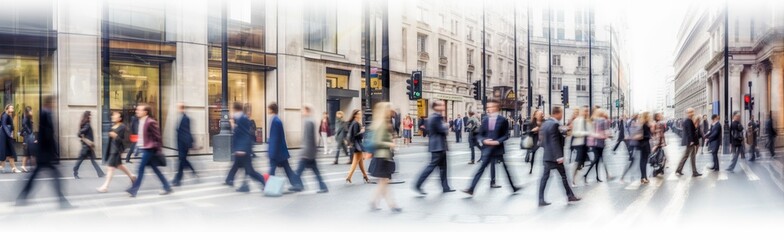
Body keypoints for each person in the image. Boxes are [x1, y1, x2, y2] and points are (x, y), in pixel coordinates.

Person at [16, 96, 74, 209]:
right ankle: (62, 201)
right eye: (53, 102)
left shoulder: (44, 112)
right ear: (50, 103)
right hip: (46, 153)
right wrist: (54, 151)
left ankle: (23, 197)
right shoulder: (46, 113)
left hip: (44, 153)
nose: (55, 105)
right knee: (53, 176)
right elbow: (48, 134)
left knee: (38, 176)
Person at [463, 99, 520, 195]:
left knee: (505, 169)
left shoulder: (502, 120)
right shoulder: (485, 120)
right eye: (488, 107)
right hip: (488, 149)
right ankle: (471, 188)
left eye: (491, 107)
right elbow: (480, 134)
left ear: (497, 108)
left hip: (498, 149)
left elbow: (506, 135)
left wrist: (498, 141)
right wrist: (483, 140)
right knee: (481, 169)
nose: (489, 109)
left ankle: (513, 187)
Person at [126, 104, 173, 197]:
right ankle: (167, 186)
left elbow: (158, 137)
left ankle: (134, 190)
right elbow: (141, 137)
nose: (137, 111)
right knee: (155, 169)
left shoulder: (150, 122)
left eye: (139, 110)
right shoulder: (140, 121)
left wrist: (159, 150)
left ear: (145, 112)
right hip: (144, 148)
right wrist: (138, 147)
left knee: (140, 169)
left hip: (150, 149)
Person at [538, 106, 581, 206]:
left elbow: (541, 141)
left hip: (547, 156)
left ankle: (541, 199)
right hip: (555, 158)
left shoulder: (545, 124)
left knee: (545, 178)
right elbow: (554, 141)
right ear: (557, 113)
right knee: (563, 177)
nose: (561, 115)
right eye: (561, 113)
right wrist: (559, 156)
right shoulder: (554, 124)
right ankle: (570, 196)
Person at [224, 102, 267, 192]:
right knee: (237, 166)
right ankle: (233, 181)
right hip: (241, 149)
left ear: (235, 109)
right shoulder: (239, 118)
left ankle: (263, 182)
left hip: (243, 150)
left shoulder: (242, 119)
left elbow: (244, 135)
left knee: (250, 171)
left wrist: (242, 149)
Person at [414, 100, 454, 195]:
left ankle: (445, 187)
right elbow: (442, 130)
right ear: (436, 107)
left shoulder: (434, 117)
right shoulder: (435, 117)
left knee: (443, 168)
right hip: (438, 146)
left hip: (439, 146)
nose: (443, 106)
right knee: (431, 167)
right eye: (441, 105)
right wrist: (447, 125)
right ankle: (418, 184)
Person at [368, 102, 401, 212]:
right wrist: (389, 144)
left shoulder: (386, 122)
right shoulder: (382, 124)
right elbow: (377, 141)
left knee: (384, 182)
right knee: (384, 182)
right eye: (390, 109)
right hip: (382, 157)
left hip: (384, 157)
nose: (392, 110)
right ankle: (392, 205)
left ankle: (377, 202)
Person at [266, 102, 304, 191]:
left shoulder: (275, 121)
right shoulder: (276, 120)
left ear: (271, 109)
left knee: (273, 170)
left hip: (277, 151)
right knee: (287, 170)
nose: (267, 110)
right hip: (280, 151)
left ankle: (268, 186)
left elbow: (275, 138)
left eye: (268, 108)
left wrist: (271, 152)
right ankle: (297, 184)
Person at [97, 111, 136, 192]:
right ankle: (132, 176)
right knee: (119, 166)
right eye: (113, 115)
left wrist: (116, 136)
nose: (113, 116)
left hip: (116, 150)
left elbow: (125, 140)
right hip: (112, 149)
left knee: (110, 168)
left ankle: (105, 187)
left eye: (115, 115)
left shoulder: (123, 127)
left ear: (120, 118)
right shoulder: (113, 126)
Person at [295, 104, 328, 193]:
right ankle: (323, 187)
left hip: (307, 152)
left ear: (307, 111)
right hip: (310, 152)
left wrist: (306, 152)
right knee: (315, 171)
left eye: (303, 110)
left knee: (299, 171)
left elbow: (309, 138)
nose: (302, 112)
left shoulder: (308, 121)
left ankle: (298, 185)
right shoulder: (310, 120)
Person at [73, 111, 105, 179]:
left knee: (92, 161)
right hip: (86, 147)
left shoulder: (86, 124)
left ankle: (100, 173)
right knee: (81, 160)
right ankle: (75, 170)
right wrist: (84, 139)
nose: (90, 117)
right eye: (89, 115)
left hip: (88, 147)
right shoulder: (87, 125)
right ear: (87, 116)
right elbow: (79, 134)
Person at [172, 103, 197, 186]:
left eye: (179, 107)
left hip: (184, 144)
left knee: (181, 161)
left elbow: (187, 131)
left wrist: (189, 144)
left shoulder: (186, 118)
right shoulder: (180, 117)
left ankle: (177, 180)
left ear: (182, 108)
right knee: (182, 161)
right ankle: (192, 172)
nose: (178, 109)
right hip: (180, 144)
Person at [584, 109, 610, 182]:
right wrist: (605, 136)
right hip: (600, 143)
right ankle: (586, 174)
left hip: (594, 143)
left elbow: (591, 132)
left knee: (597, 160)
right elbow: (606, 133)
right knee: (596, 160)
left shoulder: (594, 121)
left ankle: (597, 177)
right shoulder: (603, 121)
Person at [675, 108, 702, 177]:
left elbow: (691, 131)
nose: (693, 113)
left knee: (686, 156)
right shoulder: (688, 121)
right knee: (691, 157)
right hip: (690, 142)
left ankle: (679, 170)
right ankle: (694, 172)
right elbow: (690, 132)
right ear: (690, 113)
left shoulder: (687, 120)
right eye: (692, 112)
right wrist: (691, 141)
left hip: (689, 141)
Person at [345, 109, 369, 183]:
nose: (360, 115)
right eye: (358, 114)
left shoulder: (354, 122)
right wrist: (362, 132)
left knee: (360, 162)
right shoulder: (355, 123)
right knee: (355, 162)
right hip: (357, 144)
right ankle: (348, 177)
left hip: (356, 144)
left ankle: (365, 176)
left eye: (360, 113)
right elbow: (355, 135)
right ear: (355, 115)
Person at [570, 107, 592, 186]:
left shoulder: (588, 122)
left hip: (586, 145)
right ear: (581, 111)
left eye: (587, 111)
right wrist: (585, 133)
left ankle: (583, 178)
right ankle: (573, 180)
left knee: (586, 163)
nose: (586, 113)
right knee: (578, 163)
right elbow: (575, 133)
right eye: (585, 111)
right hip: (579, 144)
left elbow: (591, 132)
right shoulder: (577, 121)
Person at [0, 104, 20, 173]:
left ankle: (12, 168)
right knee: (10, 151)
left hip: (6, 136)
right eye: (11, 108)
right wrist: (9, 134)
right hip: (5, 136)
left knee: (9, 152)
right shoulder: (5, 115)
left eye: (13, 108)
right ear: (7, 108)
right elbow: (4, 125)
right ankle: (12, 168)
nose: (13, 109)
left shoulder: (8, 115)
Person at [524, 110, 544, 174]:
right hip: (535, 140)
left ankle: (544, 169)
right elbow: (527, 132)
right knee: (533, 155)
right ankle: (531, 169)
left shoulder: (545, 122)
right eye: (538, 114)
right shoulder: (532, 123)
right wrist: (533, 130)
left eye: (541, 114)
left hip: (543, 141)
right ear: (535, 115)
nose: (540, 115)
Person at [19, 106, 34, 173]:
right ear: (28, 112)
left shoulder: (28, 118)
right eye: (31, 111)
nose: (32, 112)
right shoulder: (26, 118)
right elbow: (24, 125)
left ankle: (24, 166)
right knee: (27, 152)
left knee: (27, 153)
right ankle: (25, 166)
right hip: (27, 137)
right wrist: (29, 132)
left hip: (28, 136)